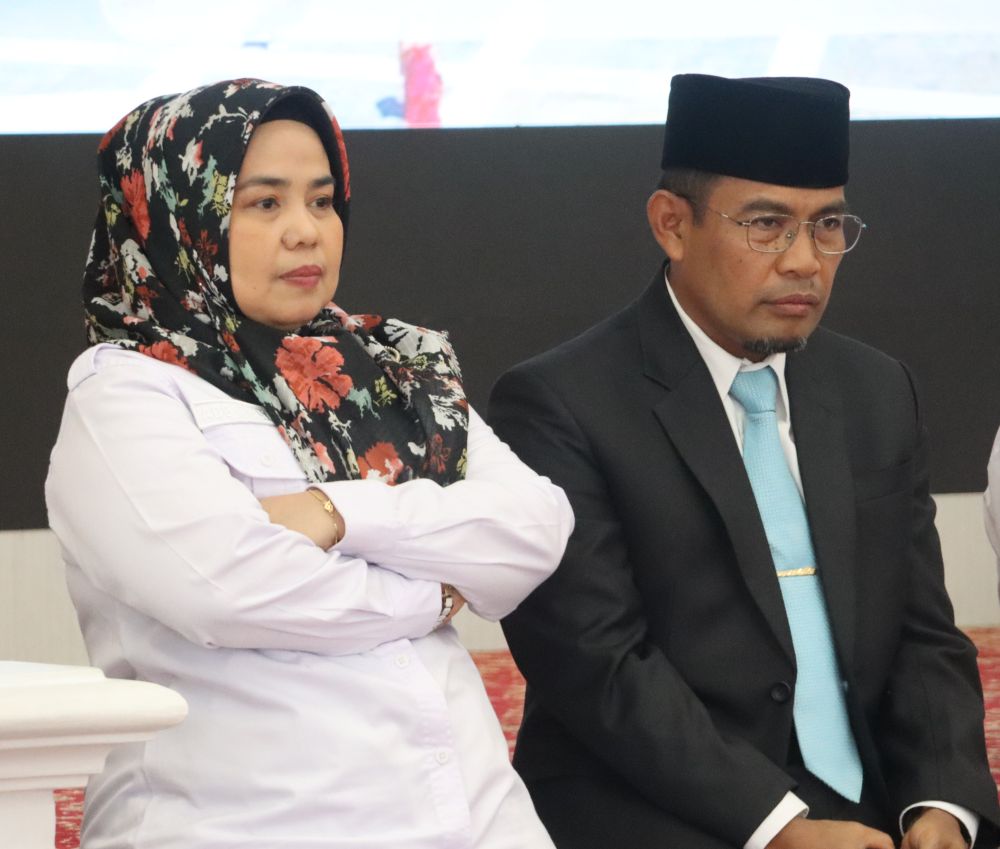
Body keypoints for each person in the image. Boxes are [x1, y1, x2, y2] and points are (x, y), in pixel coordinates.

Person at [45, 78, 573, 849]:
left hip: (480, 816)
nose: (306, 231)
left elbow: (534, 529)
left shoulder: (391, 367)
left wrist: (338, 513)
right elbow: (229, 588)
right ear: (177, 216)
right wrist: (435, 591)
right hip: (251, 823)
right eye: (265, 203)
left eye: (322, 201)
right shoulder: (125, 392)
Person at [488, 73, 1000, 849]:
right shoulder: (561, 404)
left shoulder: (875, 389)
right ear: (671, 224)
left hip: (867, 805)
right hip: (658, 807)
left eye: (829, 225)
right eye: (767, 225)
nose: (805, 261)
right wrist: (782, 825)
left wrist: (942, 803)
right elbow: (600, 667)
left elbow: (923, 630)